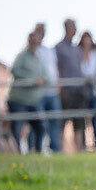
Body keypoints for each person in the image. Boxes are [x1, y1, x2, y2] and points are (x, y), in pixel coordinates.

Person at [8, 31, 48, 153]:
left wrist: (42, 80)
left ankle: (37, 149)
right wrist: (31, 80)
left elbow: (46, 76)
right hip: (19, 100)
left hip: (34, 101)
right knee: (17, 127)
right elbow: (14, 70)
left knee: (40, 126)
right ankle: (17, 152)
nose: (35, 43)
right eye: (33, 40)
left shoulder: (38, 59)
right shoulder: (21, 56)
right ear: (29, 41)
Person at [55, 18, 85, 151]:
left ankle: (78, 150)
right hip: (66, 91)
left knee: (79, 124)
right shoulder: (58, 48)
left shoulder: (77, 49)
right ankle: (60, 150)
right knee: (62, 123)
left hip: (79, 91)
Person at [34, 23, 62, 152]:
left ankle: (55, 148)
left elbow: (55, 67)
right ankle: (36, 148)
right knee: (38, 122)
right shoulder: (32, 50)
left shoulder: (49, 50)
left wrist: (58, 82)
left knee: (55, 121)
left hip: (52, 91)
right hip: (38, 92)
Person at [79, 31, 96, 149]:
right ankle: (83, 145)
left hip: (95, 89)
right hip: (82, 90)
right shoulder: (78, 53)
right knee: (82, 118)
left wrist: (94, 78)